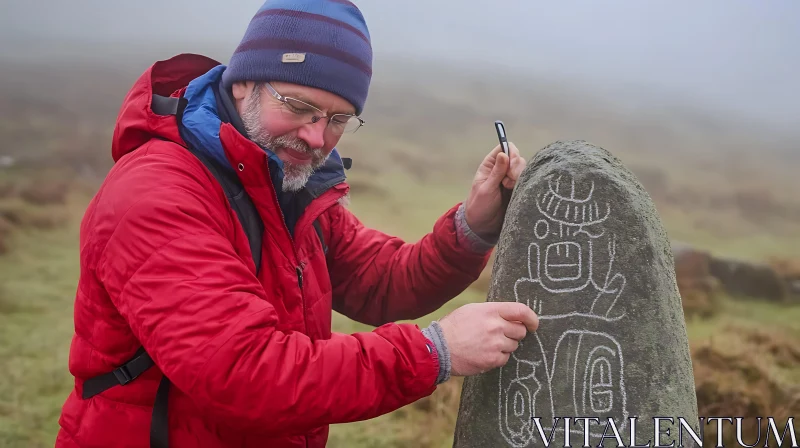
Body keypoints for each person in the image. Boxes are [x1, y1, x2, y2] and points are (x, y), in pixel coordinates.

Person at [55, 1, 539, 447]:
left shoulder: (285, 182)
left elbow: (379, 279)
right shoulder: (158, 195)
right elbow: (245, 374)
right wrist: (436, 351)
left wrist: (472, 226)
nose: (315, 136)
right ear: (243, 81)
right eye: (297, 106)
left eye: (338, 118)